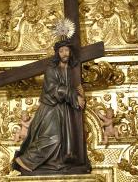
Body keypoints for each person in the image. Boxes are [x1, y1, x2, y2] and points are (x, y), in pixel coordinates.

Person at [13, 40, 85, 173]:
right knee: (53, 138)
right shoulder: (51, 69)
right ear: (57, 53)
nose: (65, 53)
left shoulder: (69, 71)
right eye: (61, 51)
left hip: (62, 109)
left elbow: (69, 89)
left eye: (67, 50)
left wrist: (78, 94)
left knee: (61, 140)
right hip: (50, 108)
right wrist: (75, 96)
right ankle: (26, 160)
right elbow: (53, 88)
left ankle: (55, 163)